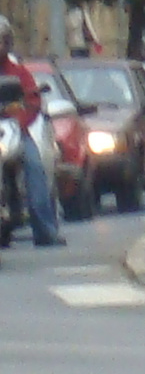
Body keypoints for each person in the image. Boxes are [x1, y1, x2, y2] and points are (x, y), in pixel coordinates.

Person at [0, 16, 66, 247]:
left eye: (1, 40)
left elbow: (32, 100)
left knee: (35, 167)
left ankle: (45, 231)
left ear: (8, 43)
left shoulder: (19, 72)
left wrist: (19, 120)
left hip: (12, 132)